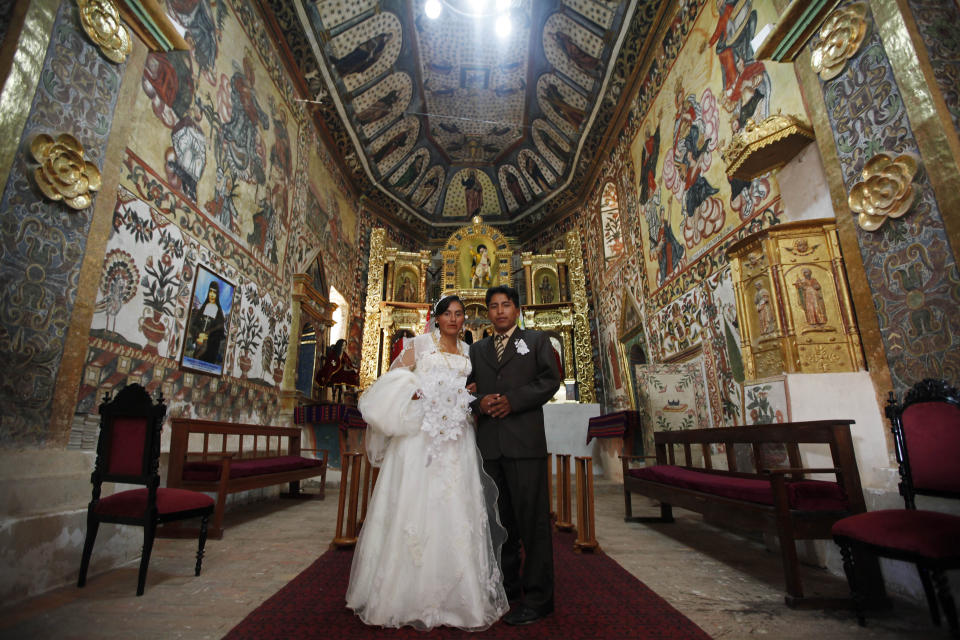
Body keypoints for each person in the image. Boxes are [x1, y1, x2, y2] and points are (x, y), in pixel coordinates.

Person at [346, 295, 508, 631]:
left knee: (454, 509)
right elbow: (393, 379)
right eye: (447, 314)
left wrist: (470, 392)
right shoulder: (418, 345)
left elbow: (471, 391)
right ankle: (401, 593)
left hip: (456, 437)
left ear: (465, 319)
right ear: (437, 318)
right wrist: (416, 392)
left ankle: (460, 597)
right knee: (416, 505)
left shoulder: (469, 353)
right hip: (421, 436)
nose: (453, 319)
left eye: (459, 314)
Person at [468, 285, 562, 626]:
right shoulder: (477, 349)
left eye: (505, 305)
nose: (499, 311)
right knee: (499, 523)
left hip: (525, 445)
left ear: (517, 310)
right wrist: (481, 403)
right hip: (490, 446)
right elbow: (466, 389)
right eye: (493, 306)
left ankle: (539, 598)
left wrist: (514, 400)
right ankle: (506, 587)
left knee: (532, 523)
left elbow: (550, 380)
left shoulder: (537, 342)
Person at [190, 282, 225, 363]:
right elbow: (194, 326)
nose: (212, 295)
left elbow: (220, 334)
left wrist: (208, 337)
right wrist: (198, 334)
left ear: (217, 295)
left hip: (210, 351)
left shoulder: (219, 313)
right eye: (210, 291)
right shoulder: (203, 308)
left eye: (214, 292)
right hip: (198, 344)